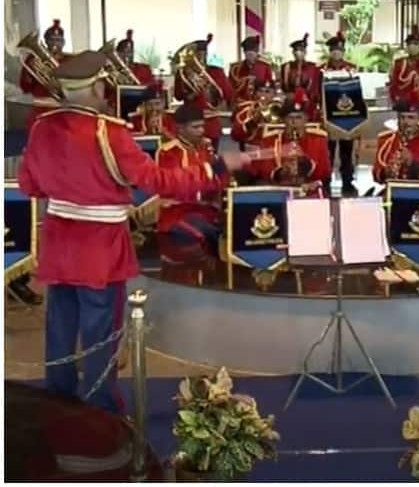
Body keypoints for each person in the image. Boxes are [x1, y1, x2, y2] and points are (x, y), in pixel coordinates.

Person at [17, 50, 249, 414]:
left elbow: (29, 185)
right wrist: (216, 167)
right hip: (101, 246)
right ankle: (100, 413)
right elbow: (160, 181)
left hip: (59, 241)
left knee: (60, 327)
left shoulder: (42, 126)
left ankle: (57, 407)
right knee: (100, 332)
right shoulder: (108, 132)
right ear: (96, 87)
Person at [156, 104, 228, 255]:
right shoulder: (168, 152)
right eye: (195, 127)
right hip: (178, 214)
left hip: (207, 210)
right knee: (209, 234)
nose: (201, 131)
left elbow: (220, 180)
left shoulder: (206, 147)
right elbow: (177, 187)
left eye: (202, 126)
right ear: (180, 129)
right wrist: (211, 175)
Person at [252, 90, 331, 193]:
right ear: (284, 120)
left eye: (298, 118)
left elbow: (325, 171)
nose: (294, 122)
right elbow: (263, 169)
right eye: (290, 118)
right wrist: (281, 172)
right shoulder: (270, 139)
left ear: (306, 119)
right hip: (280, 189)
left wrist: (306, 165)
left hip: (310, 189)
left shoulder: (318, 139)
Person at [173, 34, 232, 148]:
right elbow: (178, 96)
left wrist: (212, 93)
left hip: (211, 122)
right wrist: (192, 94)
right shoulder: (183, 73)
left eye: (203, 55)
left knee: (211, 156)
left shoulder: (217, 72)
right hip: (191, 122)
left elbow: (228, 94)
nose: (200, 58)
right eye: (197, 55)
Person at [373, 92, 419, 183]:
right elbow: (376, 174)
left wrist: (413, 163)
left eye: (411, 118)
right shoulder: (385, 139)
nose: (406, 122)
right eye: (402, 117)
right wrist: (386, 172)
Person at [319, 32, 358, 195]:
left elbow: (357, 91)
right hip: (327, 115)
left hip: (346, 116)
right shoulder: (320, 69)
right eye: (334, 49)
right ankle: (326, 180)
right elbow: (316, 91)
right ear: (329, 51)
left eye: (339, 50)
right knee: (327, 151)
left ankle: (347, 180)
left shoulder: (351, 68)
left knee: (346, 151)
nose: (337, 52)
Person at [20, 19, 70, 134]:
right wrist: (30, 71)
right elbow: (24, 87)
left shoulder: (70, 59)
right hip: (41, 108)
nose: (55, 43)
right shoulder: (33, 59)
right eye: (52, 40)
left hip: (64, 107)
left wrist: (59, 84)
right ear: (46, 42)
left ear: (63, 42)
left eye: (59, 40)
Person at [279, 33, 322, 122]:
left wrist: (309, 97)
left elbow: (316, 88)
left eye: (301, 50)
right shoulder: (286, 67)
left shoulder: (313, 68)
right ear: (293, 53)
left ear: (305, 52)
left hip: (308, 103)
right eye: (296, 50)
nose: (298, 53)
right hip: (290, 103)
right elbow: (283, 86)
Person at [228, 35, 274, 105]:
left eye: (252, 55)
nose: (250, 57)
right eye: (248, 55)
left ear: (256, 53)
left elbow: (269, 87)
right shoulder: (235, 68)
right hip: (241, 102)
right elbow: (231, 88)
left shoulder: (265, 67)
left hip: (260, 102)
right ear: (244, 53)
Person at [230, 79, 277, 147]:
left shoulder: (280, 111)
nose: (263, 95)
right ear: (255, 93)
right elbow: (235, 135)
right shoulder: (246, 110)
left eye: (267, 92)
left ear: (274, 94)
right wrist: (253, 121)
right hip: (251, 153)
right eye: (260, 91)